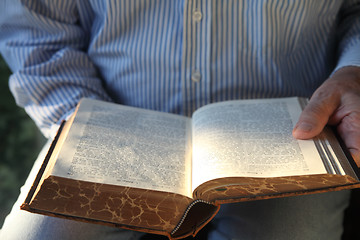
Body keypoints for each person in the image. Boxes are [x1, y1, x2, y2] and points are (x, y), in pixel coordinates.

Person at [0, 0, 359, 239]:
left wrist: (353, 73)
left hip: (291, 136)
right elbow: (37, 30)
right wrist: (86, 123)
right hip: (107, 123)